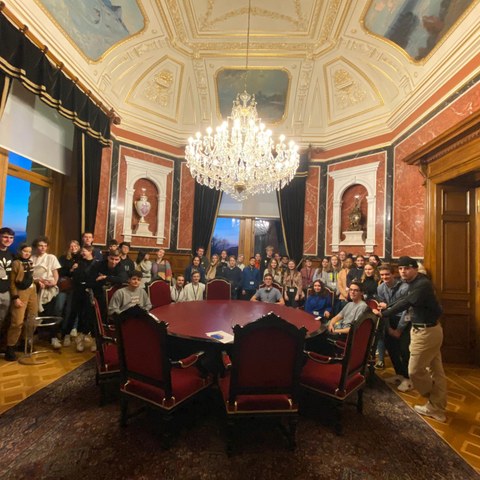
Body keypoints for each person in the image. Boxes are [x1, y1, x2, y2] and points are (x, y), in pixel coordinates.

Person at [374, 256, 447, 423]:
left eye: (406, 268)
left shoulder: (422, 284)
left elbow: (406, 302)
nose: (402, 271)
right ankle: (437, 408)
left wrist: (384, 313)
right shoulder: (415, 283)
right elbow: (403, 299)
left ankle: (434, 400)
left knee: (414, 371)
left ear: (415, 268)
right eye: (400, 269)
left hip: (426, 332)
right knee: (436, 371)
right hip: (426, 329)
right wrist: (389, 306)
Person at [376, 264, 411, 392]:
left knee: (404, 350)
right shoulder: (380, 288)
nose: (385, 277)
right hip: (389, 321)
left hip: (404, 321)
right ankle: (399, 374)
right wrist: (389, 328)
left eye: (387, 274)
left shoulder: (404, 287)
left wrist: (399, 330)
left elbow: (407, 310)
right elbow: (383, 311)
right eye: (382, 275)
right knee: (391, 349)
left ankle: (408, 379)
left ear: (393, 274)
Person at [5, 243, 38, 361]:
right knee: (17, 321)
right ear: (20, 251)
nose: (27, 253)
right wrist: (15, 297)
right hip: (20, 292)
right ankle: (10, 347)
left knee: (32, 317)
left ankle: (25, 342)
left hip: (32, 291)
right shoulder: (16, 263)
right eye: (25, 251)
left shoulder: (30, 262)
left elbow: (30, 276)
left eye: (29, 252)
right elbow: (12, 282)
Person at [31, 236, 61, 317]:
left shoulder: (51, 257)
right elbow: (30, 275)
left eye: (45, 246)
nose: (43, 248)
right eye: (40, 246)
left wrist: (54, 282)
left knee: (48, 311)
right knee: (34, 312)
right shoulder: (32, 258)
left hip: (48, 286)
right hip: (35, 286)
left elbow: (55, 273)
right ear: (36, 246)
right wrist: (38, 281)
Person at [0, 227, 15, 342]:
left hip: (6, 293)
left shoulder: (12, 255)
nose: (8, 240)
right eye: (5, 237)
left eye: (10, 238)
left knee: (2, 320)